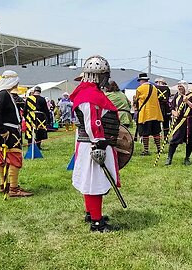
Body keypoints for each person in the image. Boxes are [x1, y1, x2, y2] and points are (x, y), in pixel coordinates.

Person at [69, 55, 120, 232]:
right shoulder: (90, 96)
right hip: (93, 143)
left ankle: (92, 213)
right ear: (99, 75)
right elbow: (93, 122)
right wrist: (98, 144)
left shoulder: (88, 92)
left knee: (89, 180)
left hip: (89, 142)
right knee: (94, 182)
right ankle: (97, 222)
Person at [0, 70, 32, 197]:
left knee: (2, 157)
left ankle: (4, 184)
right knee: (14, 158)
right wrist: (3, 131)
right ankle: (13, 188)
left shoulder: (4, 94)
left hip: (5, 131)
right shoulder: (3, 94)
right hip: (8, 132)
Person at [165, 80, 192, 166]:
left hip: (189, 121)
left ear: (185, 87)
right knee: (174, 139)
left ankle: (187, 158)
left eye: (181, 86)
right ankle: (169, 158)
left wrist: (187, 101)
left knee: (189, 140)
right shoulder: (176, 96)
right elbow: (172, 108)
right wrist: (174, 113)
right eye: (179, 86)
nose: (180, 88)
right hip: (179, 121)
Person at [135, 73, 163, 155]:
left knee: (145, 134)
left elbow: (136, 100)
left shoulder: (140, 89)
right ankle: (159, 149)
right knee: (156, 133)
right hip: (155, 113)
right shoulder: (154, 88)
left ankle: (146, 150)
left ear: (142, 80)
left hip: (145, 114)